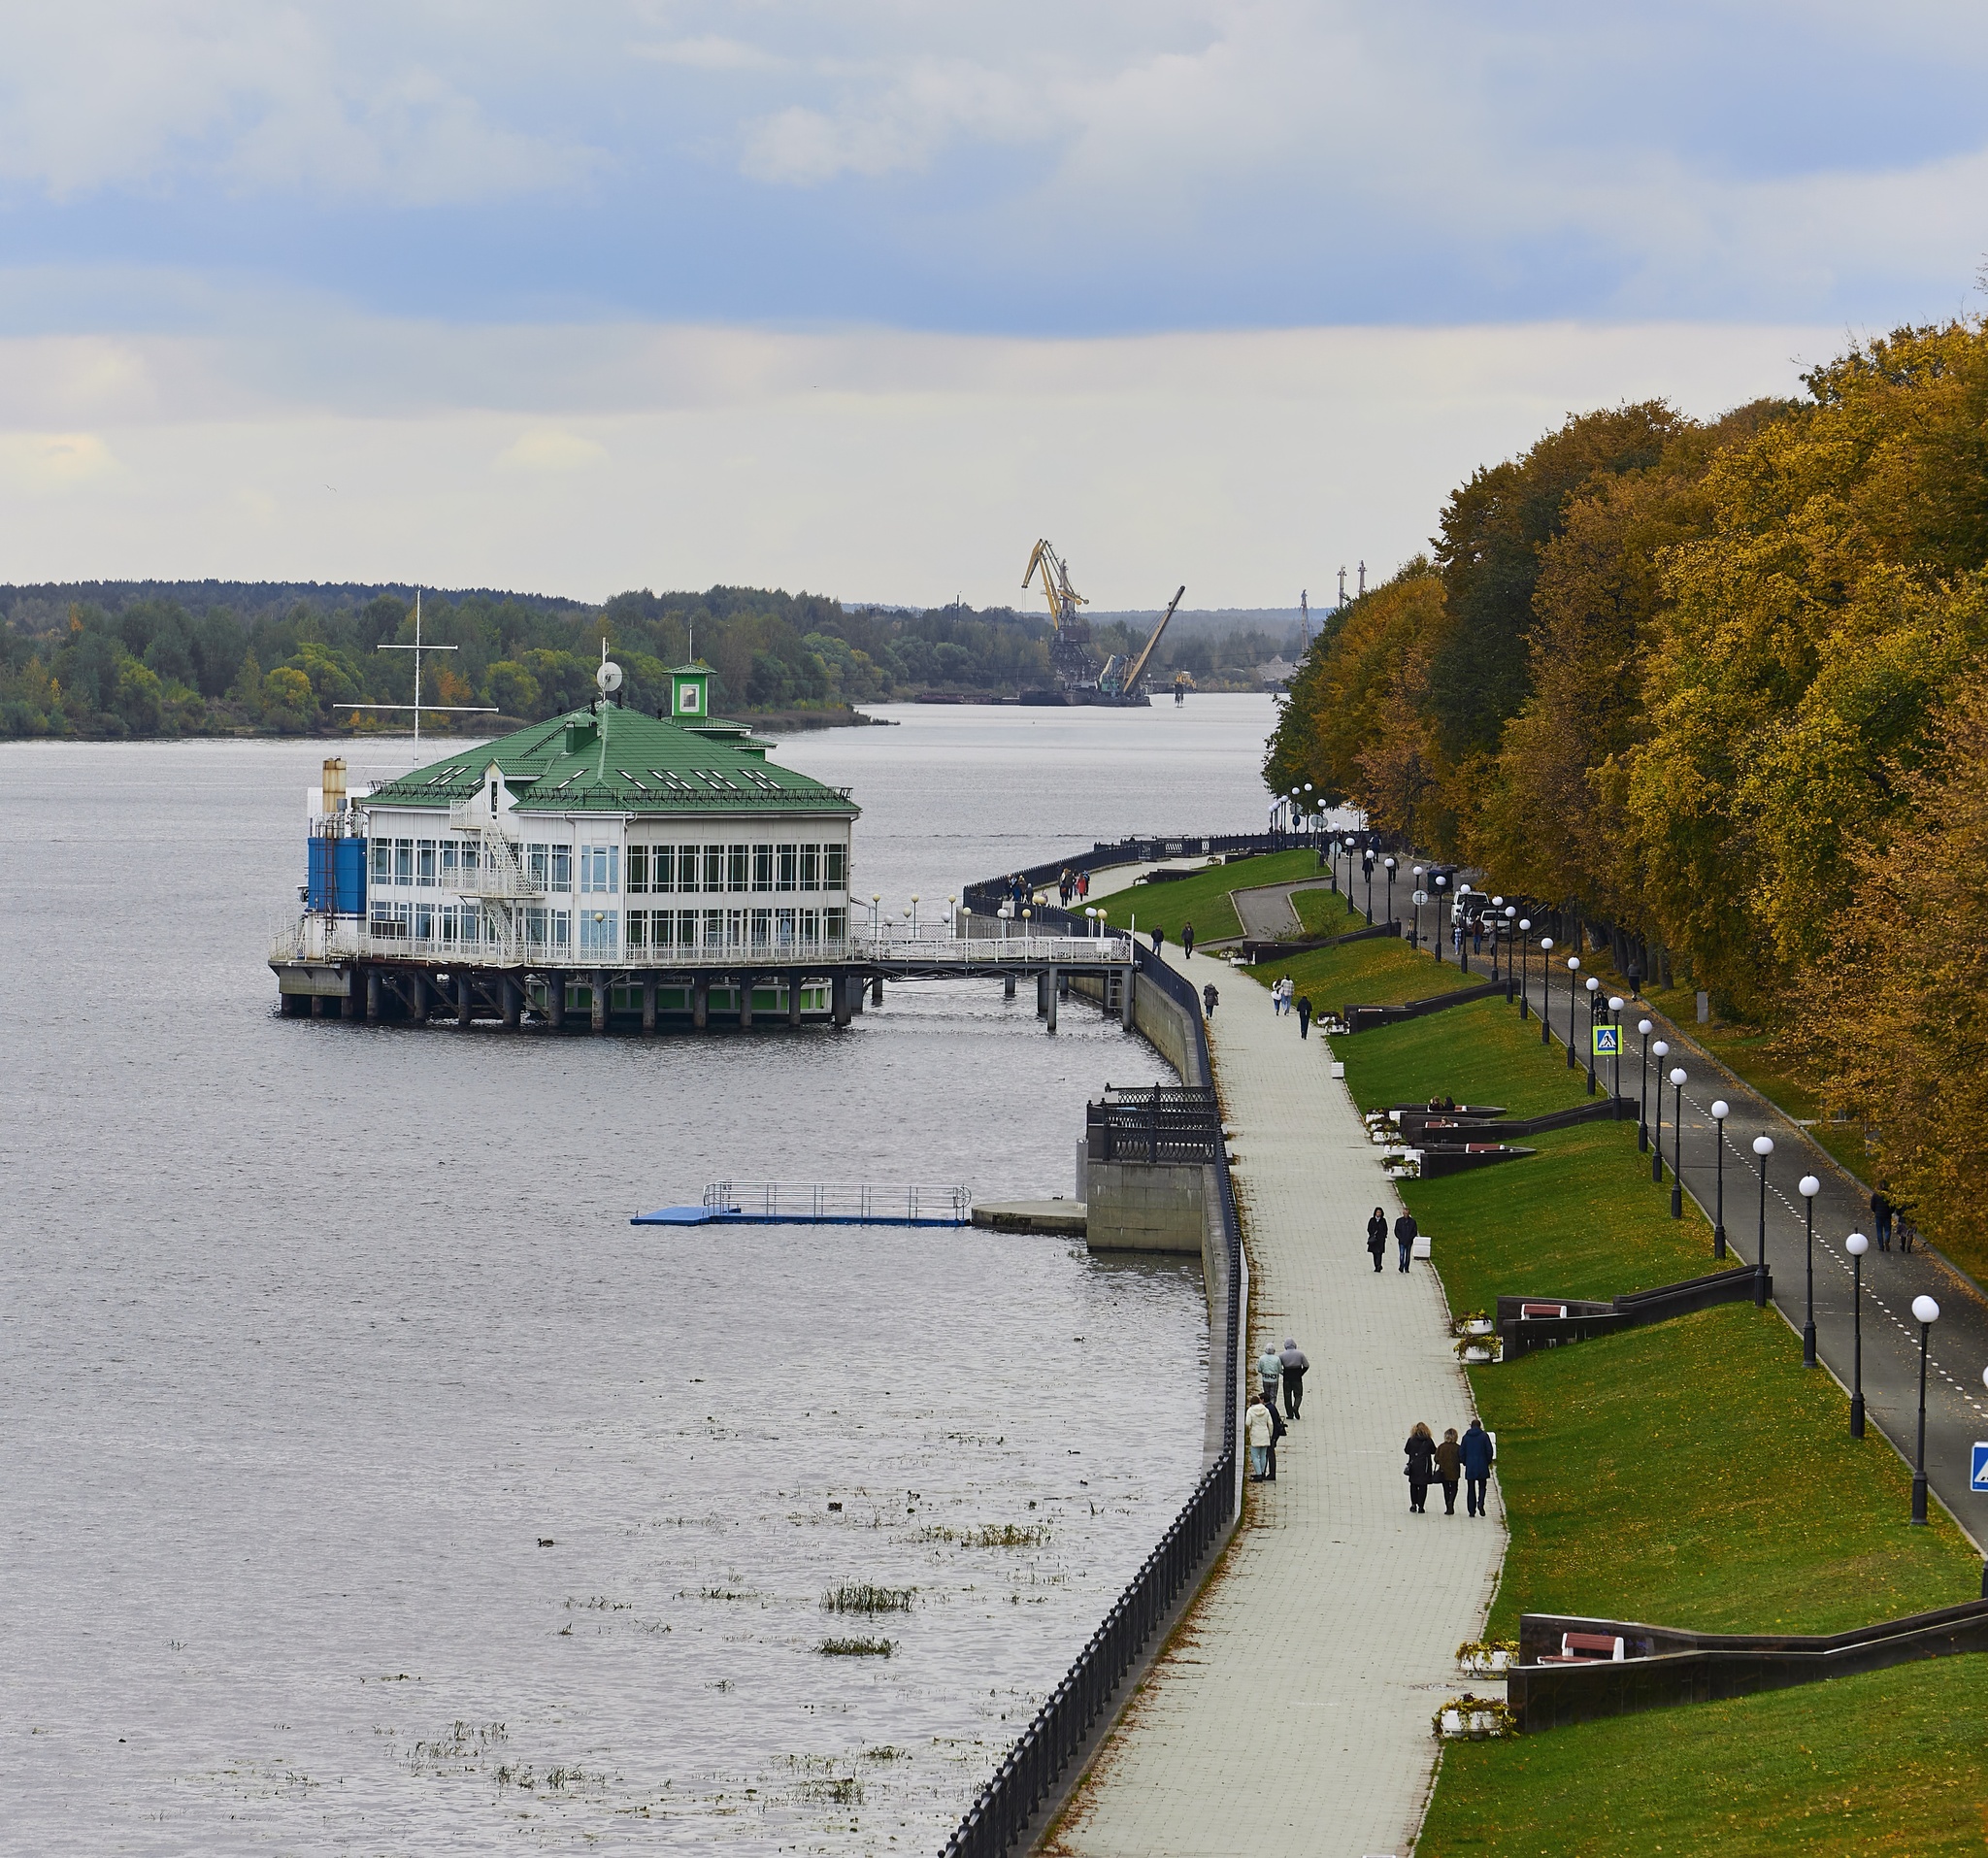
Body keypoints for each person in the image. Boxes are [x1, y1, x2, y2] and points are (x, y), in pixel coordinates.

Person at [1460, 1417, 1495, 1516]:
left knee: (1471, 1488)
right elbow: (1489, 1450)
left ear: (1471, 1426)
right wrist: (1487, 1461)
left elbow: (1462, 1452)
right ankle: (1480, 1503)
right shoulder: (1484, 1436)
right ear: (1480, 1426)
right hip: (1482, 1465)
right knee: (1482, 1486)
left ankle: (1471, 1510)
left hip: (1470, 1466)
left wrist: (1465, 1462)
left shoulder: (1466, 1437)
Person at [1404, 1421, 1436, 1512]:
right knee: (1423, 1487)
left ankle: (1413, 1504)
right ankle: (1421, 1506)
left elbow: (1406, 1450)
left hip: (1413, 1466)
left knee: (1413, 1485)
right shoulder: (1428, 1440)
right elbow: (1434, 1451)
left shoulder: (1411, 1440)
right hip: (1424, 1467)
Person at [1435, 1427, 1462, 1514]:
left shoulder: (1441, 1447)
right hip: (1454, 1471)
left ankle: (1448, 1506)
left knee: (1446, 1489)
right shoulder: (1458, 1447)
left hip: (1443, 1471)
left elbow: (1436, 1459)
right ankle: (1451, 1501)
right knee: (1454, 1487)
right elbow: (1461, 1458)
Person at [1245, 1393, 1274, 1481]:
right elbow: (1270, 1424)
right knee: (1263, 1455)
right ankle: (1262, 1473)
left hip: (1255, 1434)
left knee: (1254, 1456)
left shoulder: (1250, 1410)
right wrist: (1270, 1434)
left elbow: (1248, 1423)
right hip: (1264, 1434)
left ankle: (1258, 1474)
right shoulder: (1266, 1410)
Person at [1279, 1338, 1309, 1419]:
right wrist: (1300, 1373)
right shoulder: (1300, 1354)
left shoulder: (1282, 1355)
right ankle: (1295, 1406)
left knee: (1287, 1396)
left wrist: (1283, 1373)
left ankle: (1290, 1414)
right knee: (1298, 1394)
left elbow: (1278, 1367)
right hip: (1297, 1378)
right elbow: (1306, 1365)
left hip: (1287, 1378)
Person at [1264, 1397, 1287, 1480]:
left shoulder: (1268, 1409)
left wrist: (1271, 1435)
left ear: (1263, 1400)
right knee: (1268, 1453)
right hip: (1274, 1434)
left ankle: (1270, 1473)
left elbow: (1271, 1423)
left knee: (1269, 1454)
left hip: (1271, 1435)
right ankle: (1266, 1472)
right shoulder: (1272, 1407)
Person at [1872, 1186, 1895, 1252]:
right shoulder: (1890, 1195)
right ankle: (1887, 1239)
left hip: (1878, 1215)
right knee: (1887, 1229)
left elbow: (1872, 1205)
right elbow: (1893, 1206)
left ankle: (1881, 1246)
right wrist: (1890, 1212)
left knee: (1879, 1231)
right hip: (1887, 1215)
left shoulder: (1876, 1195)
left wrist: (1875, 1211)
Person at [1395, 1209, 1418, 1274]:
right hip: (1401, 1241)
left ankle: (1406, 1267)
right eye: (1405, 1213)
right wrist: (1400, 1237)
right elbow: (1396, 1231)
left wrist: (1410, 1238)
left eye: (1407, 1214)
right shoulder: (1399, 1221)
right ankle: (1401, 1266)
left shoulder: (1412, 1222)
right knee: (1402, 1254)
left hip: (1409, 1241)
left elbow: (1414, 1231)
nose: (1406, 1215)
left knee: (1407, 1255)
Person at [1367, 1207, 1388, 1273]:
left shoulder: (1383, 1220)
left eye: (1380, 1212)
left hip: (1380, 1240)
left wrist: (1383, 1236)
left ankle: (1379, 1265)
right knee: (1374, 1253)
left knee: (1379, 1253)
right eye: (1377, 1212)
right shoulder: (1372, 1220)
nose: (1378, 1214)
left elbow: (1385, 1229)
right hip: (1373, 1240)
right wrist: (1372, 1234)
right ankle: (1376, 1265)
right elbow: (1369, 1228)